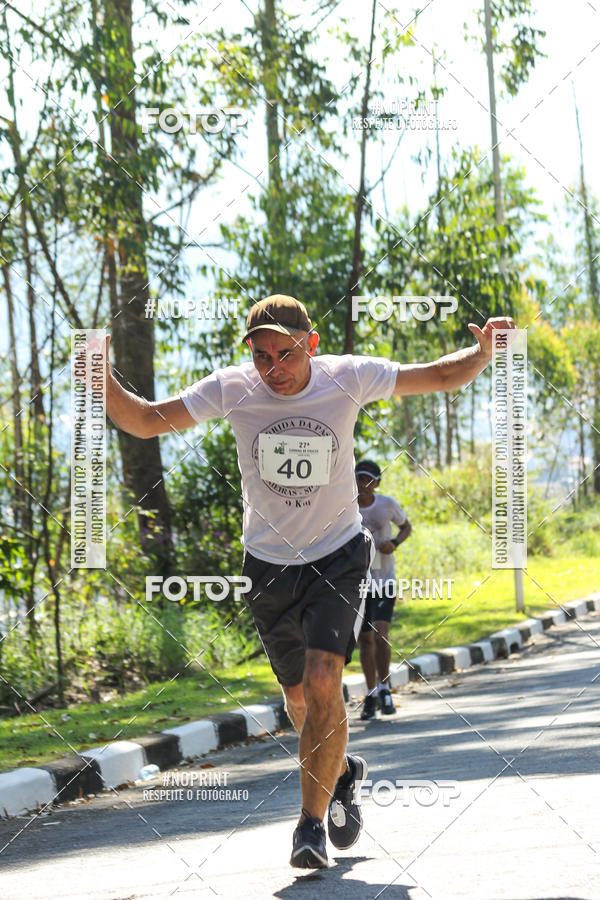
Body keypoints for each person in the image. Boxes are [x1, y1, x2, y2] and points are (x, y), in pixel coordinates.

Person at [104, 293, 516, 869]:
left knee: (326, 679)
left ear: (311, 346)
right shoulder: (231, 388)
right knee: (299, 699)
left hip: (339, 554)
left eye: (286, 353)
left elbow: (442, 377)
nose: (274, 368)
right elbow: (144, 421)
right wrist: (98, 374)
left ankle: (309, 826)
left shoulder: (347, 376)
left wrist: (483, 352)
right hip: (268, 565)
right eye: (262, 356)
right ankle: (342, 771)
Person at [355, 459, 411, 719]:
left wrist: (394, 543)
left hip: (384, 579)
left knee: (381, 634)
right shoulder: (344, 508)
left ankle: (385, 687)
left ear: (377, 483)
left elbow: (406, 526)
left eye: (368, 479)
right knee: (364, 639)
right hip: (356, 582)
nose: (362, 485)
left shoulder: (386, 504)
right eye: (358, 478)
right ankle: (370, 693)